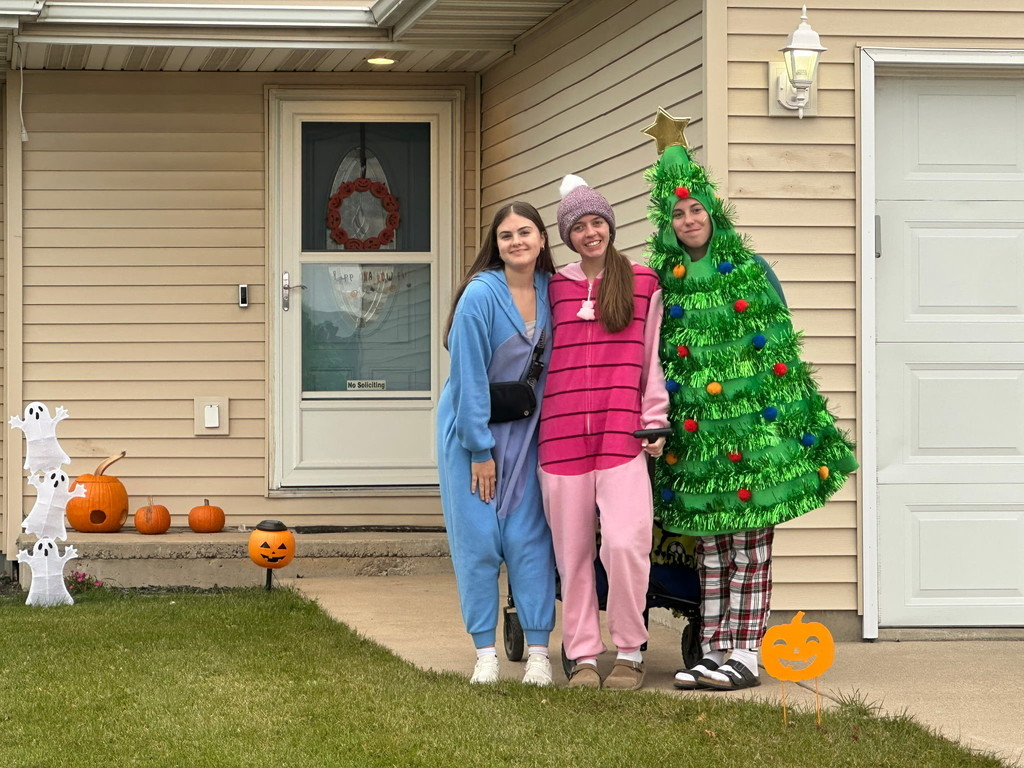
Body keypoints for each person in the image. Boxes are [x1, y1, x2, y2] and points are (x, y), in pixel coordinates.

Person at [641, 116, 857, 692]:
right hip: (698, 440)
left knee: (750, 548)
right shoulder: (667, 283)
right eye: (678, 214)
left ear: (712, 212)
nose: (689, 221)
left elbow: (780, 350)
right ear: (668, 223)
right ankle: (712, 650)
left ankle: (746, 652)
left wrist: (786, 426)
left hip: (755, 439)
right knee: (710, 549)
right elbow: (656, 358)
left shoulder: (752, 273)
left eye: (696, 210)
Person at [538, 175, 669, 690]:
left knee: (624, 542)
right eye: (579, 226)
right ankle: (585, 655)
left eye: (597, 222)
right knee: (571, 555)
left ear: (610, 225)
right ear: (567, 236)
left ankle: (631, 651)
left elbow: (652, 358)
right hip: (561, 437)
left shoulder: (642, 282)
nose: (590, 233)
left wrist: (654, 417)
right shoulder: (554, 288)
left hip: (620, 436)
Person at [437, 201, 557, 686]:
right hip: (472, 434)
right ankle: (484, 650)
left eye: (525, 232)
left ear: (543, 239)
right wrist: (480, 451)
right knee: (479, 543)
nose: (516, 242)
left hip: (528, 434)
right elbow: (465, 378)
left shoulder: (556, 291)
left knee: (530, 540)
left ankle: (539, 653)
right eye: (506, 235)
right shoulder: (479, 296)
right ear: (496, 244)